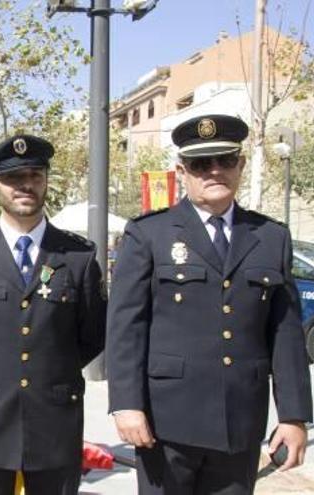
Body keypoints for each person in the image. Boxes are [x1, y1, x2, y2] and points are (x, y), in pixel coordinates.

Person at [107, 114, 313, 494]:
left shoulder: (270, 237)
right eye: (202, 164)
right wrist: (126, 405)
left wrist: (294, 416)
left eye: (225, 160)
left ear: (242, 164)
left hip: (240, 423)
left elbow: (286, 334)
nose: (215, 171)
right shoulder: (149, 234)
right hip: (165, 425)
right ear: (182, 171)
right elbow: (126, 328)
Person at [0, 135, 106, 494]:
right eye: (13, 178)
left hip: (54, 419)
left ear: (46, 180)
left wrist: (49, 368)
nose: (25, 185)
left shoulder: (77, 257)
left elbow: (94, 333)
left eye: (35, 175)